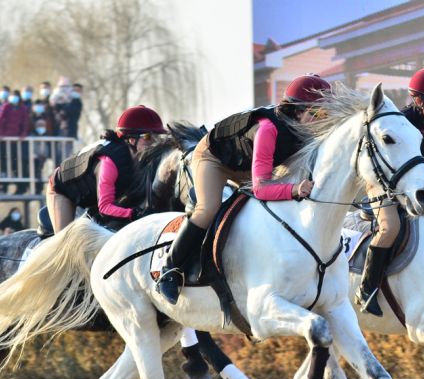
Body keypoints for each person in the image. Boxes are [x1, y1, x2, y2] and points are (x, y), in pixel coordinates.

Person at [156, 74, 330, 304]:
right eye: (317, 114)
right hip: (214, 159)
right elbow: (261, 189)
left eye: (327, 114)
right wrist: (295, 189)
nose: (322, 120)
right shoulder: (268, 129)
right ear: (297, 111)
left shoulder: (306, 130)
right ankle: (170, 270)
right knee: (208, 209)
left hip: (248, 164)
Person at [355, 67, 424, 316]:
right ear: (418, 100)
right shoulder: (399, 122)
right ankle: (367, 288)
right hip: (384, 185)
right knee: (391, 227)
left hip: (418, 188)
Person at [46, 105, 166, 233]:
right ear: (131, 140)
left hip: (90, 193)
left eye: (157, 136)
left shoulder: (139, 159)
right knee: (66, 244)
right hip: (61, 190)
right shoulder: (109, 163)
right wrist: (134, 214)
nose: (155, 142)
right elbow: (105, 208)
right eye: (148, 137)